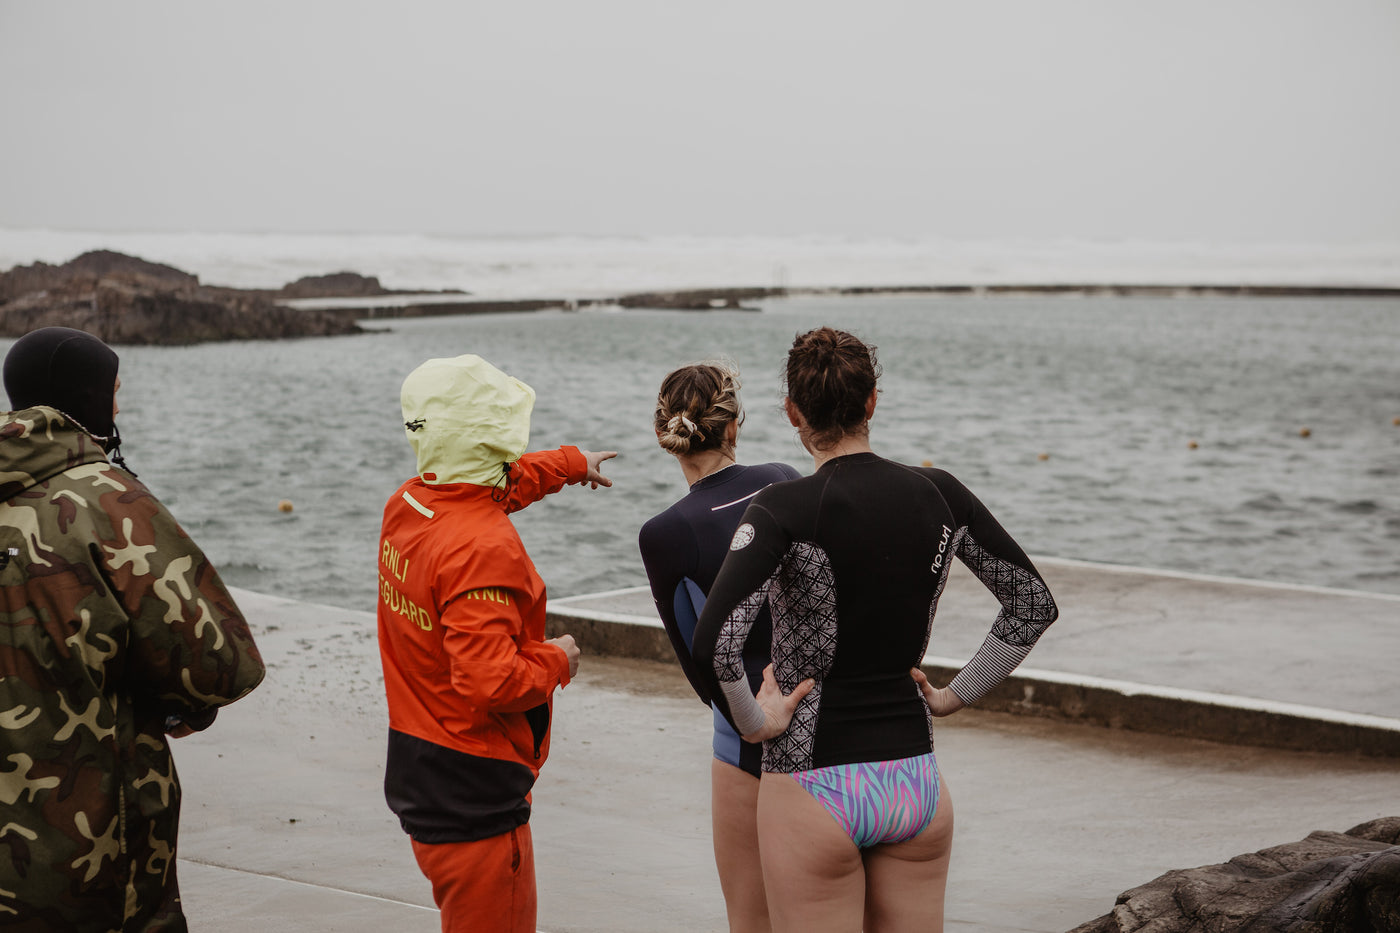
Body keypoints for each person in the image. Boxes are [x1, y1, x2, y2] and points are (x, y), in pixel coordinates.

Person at [692, 327, 1058, 933]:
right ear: (871, 401)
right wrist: (956, 693)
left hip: (811, 782)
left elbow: (715, 644)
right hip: (914, 780)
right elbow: (1031, 605)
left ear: (793, 412)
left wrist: (757, 723)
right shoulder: (940, 493)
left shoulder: (782, 508)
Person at [0, 326, 266, 931]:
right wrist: (185, 711)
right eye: (114, 392)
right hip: (90, 856)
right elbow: (216, 667)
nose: (118, 409)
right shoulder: (108, 500)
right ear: (89, 397)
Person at [377, 353, 615, 933]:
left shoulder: (409, 506)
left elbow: (489, 485)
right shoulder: (482, 547)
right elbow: (491, 681)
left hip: (419, 761)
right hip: (474, 788)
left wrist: (569, 464)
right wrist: (557, 658)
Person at [638, 362, 801, 932]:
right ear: (733, 426)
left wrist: (749, 717)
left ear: (663, 432)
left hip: (747, 733)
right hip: (822, 717)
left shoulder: (664, 533)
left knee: (751, 921)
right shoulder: (782, 477)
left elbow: (700, 663)